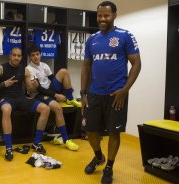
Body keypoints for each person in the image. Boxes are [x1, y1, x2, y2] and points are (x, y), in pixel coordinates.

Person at [80, 1, 141, 184]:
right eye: (99, 15)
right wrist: (83, 92)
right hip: (94, 93)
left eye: (106, 15)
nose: (102, 19)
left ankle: (109, 167)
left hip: (116, 95)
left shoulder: (125, 36)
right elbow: (86, 65)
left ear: (114, 15)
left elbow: (136, 64)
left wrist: (125, 90)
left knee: (114, 133)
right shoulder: (92, 39)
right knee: (90, 130)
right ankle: (99, 156)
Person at [0, 47, 50, 161]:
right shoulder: (1, 68)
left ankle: (36, 142)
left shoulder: (25, 70)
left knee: (45, 108)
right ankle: (9, 147)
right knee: (6, 110)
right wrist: (3, 84)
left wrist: (35, 85)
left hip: (20, 98)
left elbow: (30, 90)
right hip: (6, 98)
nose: (16, 57)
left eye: (19, 56)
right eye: (14, 55)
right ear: (10, 55)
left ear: (21, 57)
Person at [26, 44, 79, 151]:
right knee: (58, 108)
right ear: (30, 57)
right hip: (39, 94)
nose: (36, 57)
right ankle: (66, 140)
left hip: (48, 90)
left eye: (37, 54)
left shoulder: (44, 65)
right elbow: (38, 88)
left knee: (64, 71)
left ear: (40, 54)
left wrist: (66, 87)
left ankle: (70, 98)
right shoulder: (29, 69)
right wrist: (56, 95)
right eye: (33, 55)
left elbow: (53, 78)